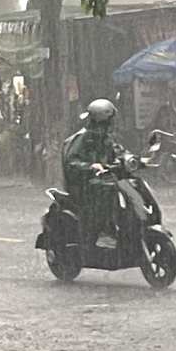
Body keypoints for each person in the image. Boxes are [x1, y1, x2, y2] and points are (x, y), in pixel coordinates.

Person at [63, 98, 121, 248]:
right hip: (83, 185)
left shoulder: (107, 138)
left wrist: (134, 160)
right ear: (100, 121)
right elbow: (71, 163)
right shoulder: (81, 138)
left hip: (103, 179)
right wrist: (91, 167)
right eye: (108, 120)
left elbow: (119, 153)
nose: (111, 124)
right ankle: (104, 231)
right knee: (106, 190)